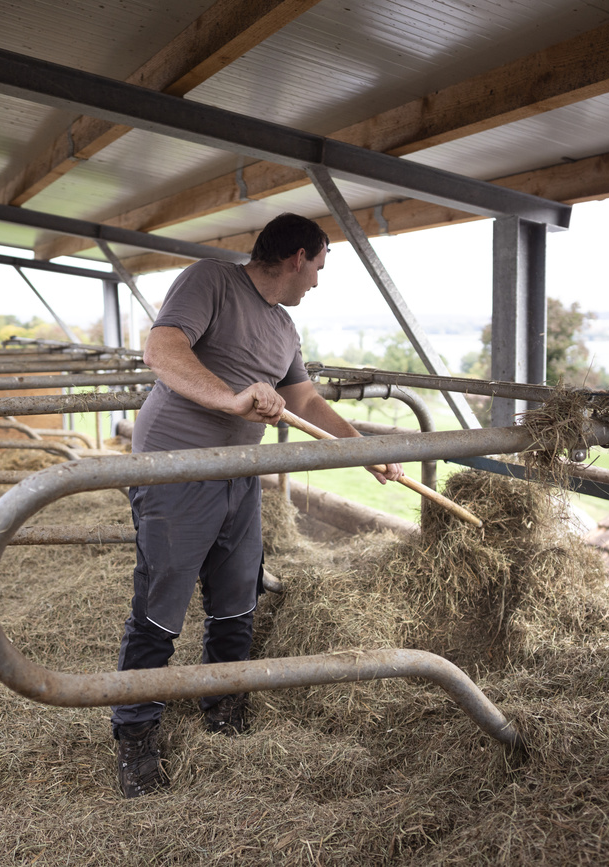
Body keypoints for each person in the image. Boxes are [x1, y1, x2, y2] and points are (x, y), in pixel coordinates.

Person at [112, 212, 403, 798]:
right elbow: (162, 349)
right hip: (178, 464)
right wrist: (232, 398)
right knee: (164, 597)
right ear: (298, 256)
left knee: (236, 593)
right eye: (319, 266)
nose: (317, 281)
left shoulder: (284, 329)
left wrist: (362, 450)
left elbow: (305, 400)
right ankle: (135, 732)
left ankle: (223, 703)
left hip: (238, 471)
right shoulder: (211, 281)